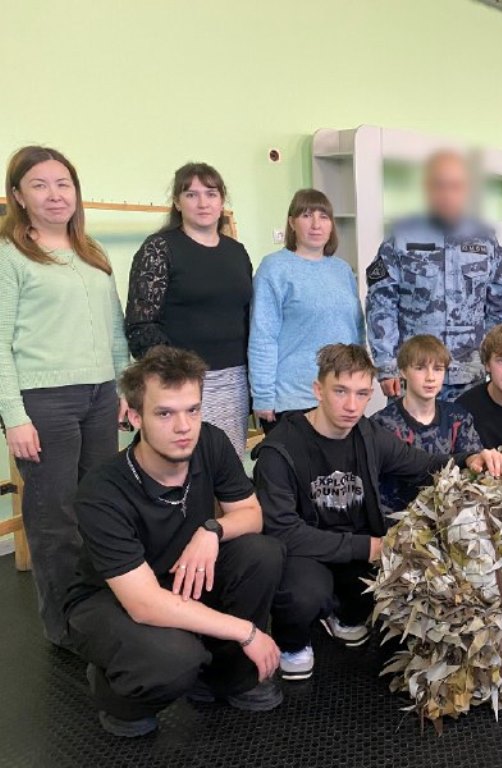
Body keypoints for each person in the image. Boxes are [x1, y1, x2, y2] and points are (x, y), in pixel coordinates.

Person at [253, 344, 502, 680]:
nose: (351, 405)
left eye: (362, 394)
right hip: (306, 551)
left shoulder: (368, 433)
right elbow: (283, 531)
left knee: (412, 580)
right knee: (305, 596)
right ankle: (293, 642)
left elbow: (421, 465)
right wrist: (370, 547)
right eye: (340, 391)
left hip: (356, 547)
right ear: (318, 390)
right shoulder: (280, 449)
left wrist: (469, 459)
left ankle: (342, 613)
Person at [65, 347, 285, 738]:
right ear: (136, 417)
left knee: (261, 554)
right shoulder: (102, 491)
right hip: (112, 599)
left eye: (193, 410)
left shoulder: (210, 442)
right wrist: (246, 632)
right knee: (175, 659)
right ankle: (119, 695)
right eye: (165, 413)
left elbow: (252, 514)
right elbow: (145, 603)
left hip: (178, 575)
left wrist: (212, 530)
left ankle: (226, 677)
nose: (184, 427)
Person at [0, 146, 130, 647]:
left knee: (99, 507)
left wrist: (124, 387)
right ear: (18, 196)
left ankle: (98, 609)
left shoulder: (91, 251)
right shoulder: (11, 256)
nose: (55, 195)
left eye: (63, 184)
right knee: (54, 520)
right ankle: (64, 628)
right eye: (39, 185)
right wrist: (14, 416)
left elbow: (115, 329)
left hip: (100, 396)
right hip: (44, 401)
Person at [126, 162, 253, 456]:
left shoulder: (236, 251)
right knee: (185, 466)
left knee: (227, 463)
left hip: (234, 381)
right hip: (180, 385)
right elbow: (140, 325)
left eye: (211, 194)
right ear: (177, 202)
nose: (202, 203)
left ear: (222, 201)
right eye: (191, 194)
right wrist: (176, 376)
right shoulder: (159, 249)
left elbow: (247, 316)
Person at [365, 149, 502, 402]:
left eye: (455, 186)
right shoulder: (401, 238)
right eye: (439, 185)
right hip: (414, 373)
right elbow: (381, 303)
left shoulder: (486, 240)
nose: (447, 194)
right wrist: (386, 365)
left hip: (470, 375)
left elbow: (499, 306)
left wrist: (494, 360)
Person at [249, 188, 364, 434]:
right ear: (292, 223)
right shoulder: (274, 268)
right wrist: (263, 395)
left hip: (342, 395)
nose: (316, 225)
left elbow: (356, 331)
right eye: (306, 215)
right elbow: (262, 335)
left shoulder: (342, 270)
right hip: (293, 399)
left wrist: (360, 381)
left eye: (323, 217)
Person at [371, 335, 483, 511]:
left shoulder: (458, 418)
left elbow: (473, 469)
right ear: (402, 371)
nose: (430, 377)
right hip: (395, 521)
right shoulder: (381, 424)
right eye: (420, 368)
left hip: (450, 517)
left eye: (438, 369)